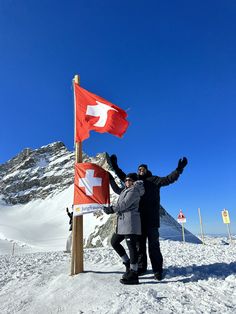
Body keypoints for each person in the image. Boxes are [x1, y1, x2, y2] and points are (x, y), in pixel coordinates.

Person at [110, 155, 188, 280]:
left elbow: (168, 179)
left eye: (143, 169)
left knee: (154, 246)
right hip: (138, 220)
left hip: (152, 220)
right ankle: (141, 268)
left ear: (147, 170)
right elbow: (123, 177)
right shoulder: (135, 183)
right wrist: (115, 166)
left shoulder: (155, 180)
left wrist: (179, 169)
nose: (141, 170)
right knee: (139, 246)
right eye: (139, 169)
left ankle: (157, 270)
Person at [103, 173, 145, 285]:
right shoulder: (126, 190)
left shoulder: (134, 190)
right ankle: (127, 263)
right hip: (123, 223)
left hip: (130, 223)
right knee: (114, 242)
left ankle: (134, 273)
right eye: (126, 180)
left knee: (131, 247)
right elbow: (117, 189)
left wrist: (112, 209)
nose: (127, 181)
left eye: (129, 180)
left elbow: (124, 204)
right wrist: (111, 179)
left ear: (134, 181)